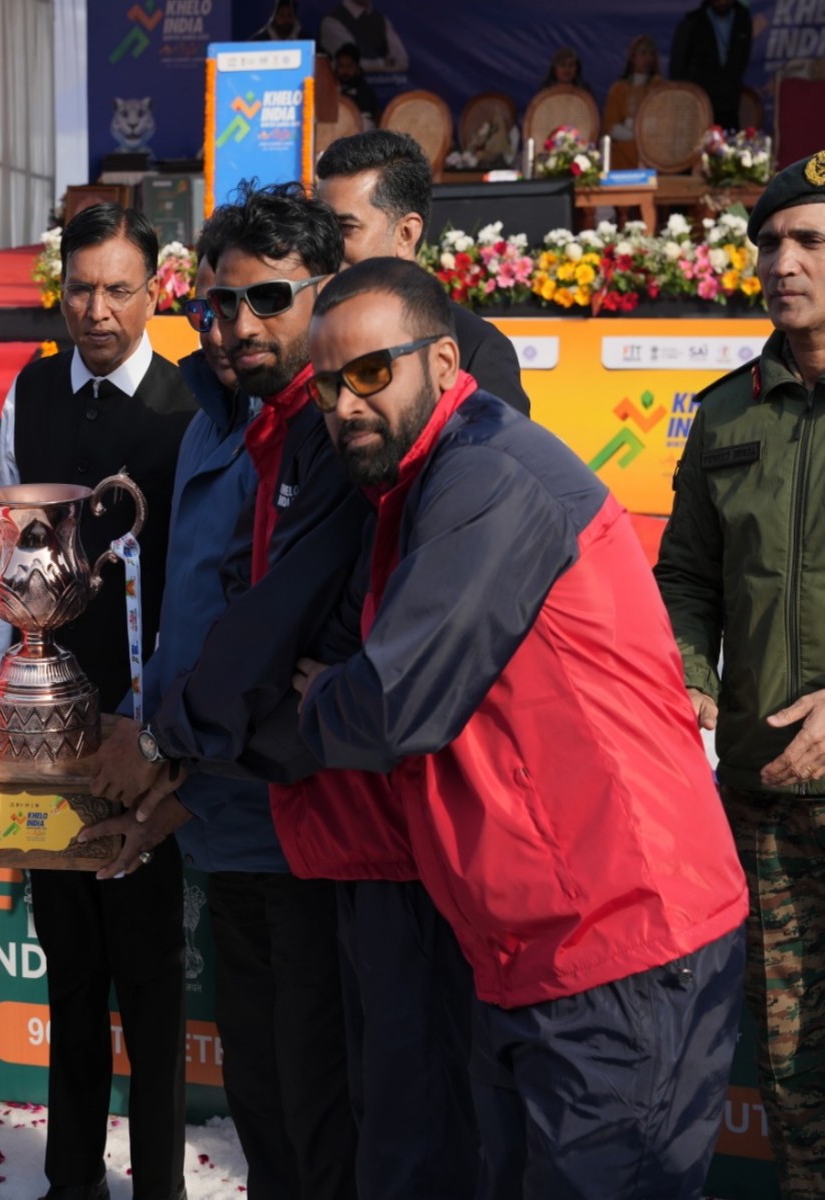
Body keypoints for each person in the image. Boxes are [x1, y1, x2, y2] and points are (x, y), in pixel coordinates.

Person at [293, 255, 747, 1194]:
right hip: (534, 951)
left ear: (443, 362)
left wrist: (315, 697)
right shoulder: (428, 477)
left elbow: (392, 705)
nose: (345, 404)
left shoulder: (489, 474)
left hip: (618, 947)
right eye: (326, 385)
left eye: (370, 372)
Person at [88, 188, 362, 1198]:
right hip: (225, 815)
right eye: (218, 304)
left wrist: (162, 751)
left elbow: (274, 631)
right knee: (260, 1097)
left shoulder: (338, 432)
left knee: (319, 1105)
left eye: (267, 299)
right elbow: (193, 614)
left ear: (324, 295)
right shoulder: (214, 420)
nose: (238, 325)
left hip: (310, 825)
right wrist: (174, 773)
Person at [0, 201, 196, 1200]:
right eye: (80, 289)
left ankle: (157, 1186)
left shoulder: (189, 406)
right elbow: (0, 566)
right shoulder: (29, 393)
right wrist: (0, 710)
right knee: (69, 978)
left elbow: (203, 580)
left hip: (147, 746)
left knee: (151, 993)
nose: (97, 310)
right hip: (46, 732)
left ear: (155, 292)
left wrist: (160, 735)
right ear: (57, 291)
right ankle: (70, 1180)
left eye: (118, 289)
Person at [655, 152, 825, 1191]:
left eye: (809, 241)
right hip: (764, 800)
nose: (781, 262)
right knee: (792, 1060)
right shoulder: (726, 414)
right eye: (768, 243)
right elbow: (685, 577)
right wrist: (688, 675)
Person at [315, 129, 531, 415]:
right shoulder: (310, 338)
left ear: (406, 234)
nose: (325, 245)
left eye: (345, 228)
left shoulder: (476, 348)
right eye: (320, 228)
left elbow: (499, 443)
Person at [671, 0, 753, 130]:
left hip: (729, 103)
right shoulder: (693, 22)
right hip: (699, 105)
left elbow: (743, 58)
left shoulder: (742, 19)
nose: (722, 2)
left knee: (730, 141)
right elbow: (677, 66)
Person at [602, 36, 662, 172]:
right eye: (643, 54)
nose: (648, 59)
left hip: (654, 148)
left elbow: (665, 123)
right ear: (633, 58)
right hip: (624, 149)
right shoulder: (618, 89)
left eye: (651, 54)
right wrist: (636, 134)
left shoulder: (660, 87)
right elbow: (610, 126)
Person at [318, 0, 407, 76]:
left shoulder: (381, 19)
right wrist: (386, 63)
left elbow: (402, 61)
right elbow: (350, 63)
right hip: (345, 89)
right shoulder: (331, 22)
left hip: (387, 87)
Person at [334, 44, 380, 128]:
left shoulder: (365, 91)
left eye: (349, 66)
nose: (345, 71)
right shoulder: (331, 87)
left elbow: (368, 121)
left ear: (357, 67)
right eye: (341, 66)